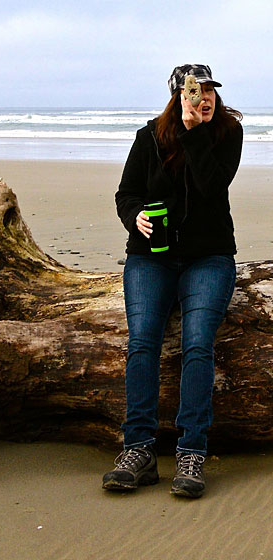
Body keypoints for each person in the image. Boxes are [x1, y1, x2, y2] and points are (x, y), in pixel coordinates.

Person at [102, 64, 243, 498]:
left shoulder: (226, 133)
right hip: (151, 259)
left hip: (209, 258)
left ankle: (191, 451)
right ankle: (139, 450)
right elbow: (126, 193)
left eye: (209, 92)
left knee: (198, 342)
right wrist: (135, 217)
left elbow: (211, 187)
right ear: (177, 96)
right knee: (143, 340)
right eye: (194, 92)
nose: (204, 99)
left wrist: (194, 132)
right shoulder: (149, 137)